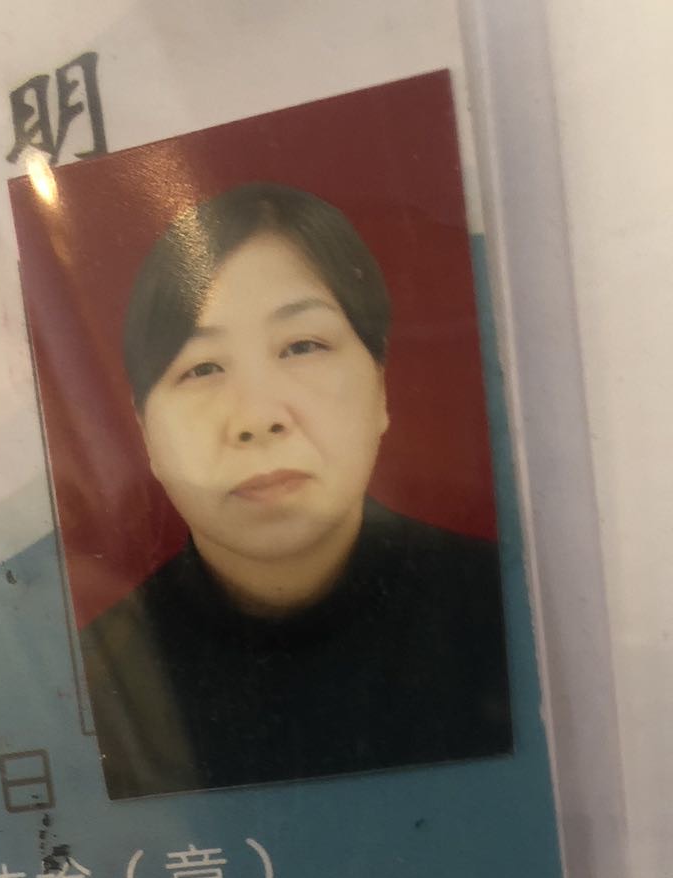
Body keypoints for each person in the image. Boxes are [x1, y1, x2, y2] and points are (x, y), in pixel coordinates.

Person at [78, 182, 514, 801]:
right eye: (202, 368)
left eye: (302, 346)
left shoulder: (511, 613)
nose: (258, 418)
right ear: (145, 430)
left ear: (380, 386)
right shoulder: (92, 686)